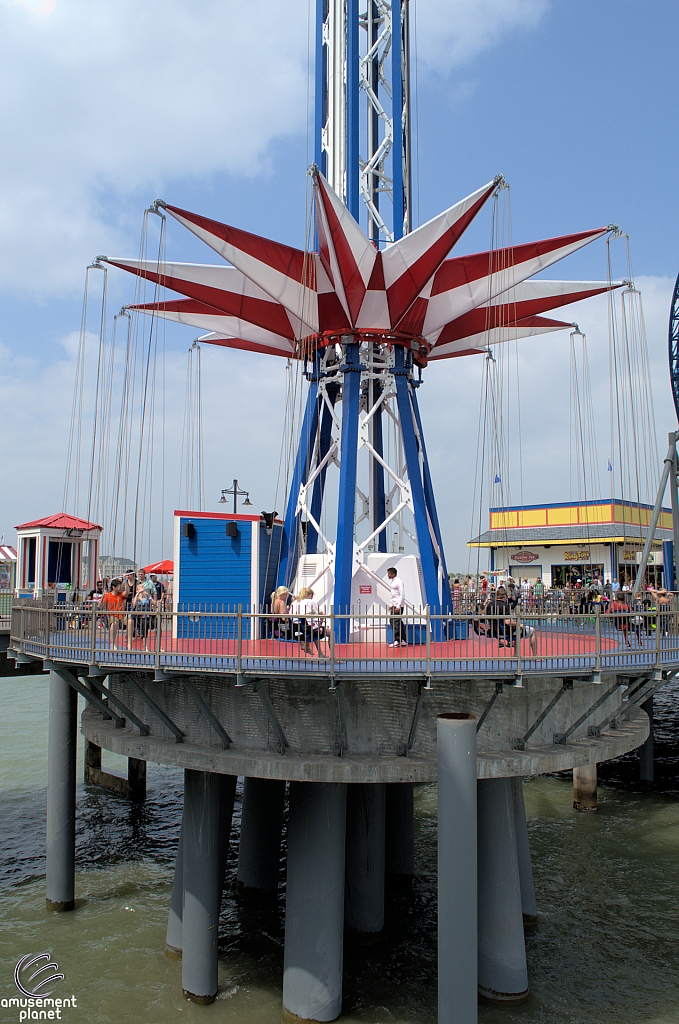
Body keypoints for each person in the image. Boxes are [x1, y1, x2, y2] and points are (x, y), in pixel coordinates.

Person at [291, 587, 324, 656]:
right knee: (318, 630)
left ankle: (306, 646)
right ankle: (321, 653)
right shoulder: (310, 602)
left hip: (296, 631)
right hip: (308, 630)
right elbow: (322, 614)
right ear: (310, 595)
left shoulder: (295, 602)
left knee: (307, 627)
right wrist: (321, 622)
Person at [128, 580, 157, 650]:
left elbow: (154, 603)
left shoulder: (147, 598)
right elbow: (133, 605)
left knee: (146, 628)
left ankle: (145, 644)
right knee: (141, 627)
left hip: (146, 616)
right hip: (139, 616)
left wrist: (147, 595)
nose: (142, 588)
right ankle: (142, 644)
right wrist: (137, 594)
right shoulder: (136, 598)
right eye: (140, 587)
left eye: (142, 586)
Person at [100, 577, 126, 648]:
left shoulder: (121, 594)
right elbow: (100, 606)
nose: (120, 587)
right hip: (112, 615)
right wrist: (103, 597)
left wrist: (125, 580)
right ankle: (113, 642)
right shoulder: (108, 595)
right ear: (113, 587)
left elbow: (126, 592)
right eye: (119, 586)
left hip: (122, 615)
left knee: (130, 621)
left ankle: (128, 640)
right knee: (114, 623)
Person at [386, 566, 406, 647]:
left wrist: (398, 606)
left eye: (389, 573)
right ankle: (402, 639)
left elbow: (401, 594)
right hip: (394, 604)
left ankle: (398, 640)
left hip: (398, 605)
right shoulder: (393, 582)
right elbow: (394, 595)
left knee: (395, 622)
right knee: (397, 621)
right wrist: (391, 604)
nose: (388, 575)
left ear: (393, 574)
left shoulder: (398, 582)